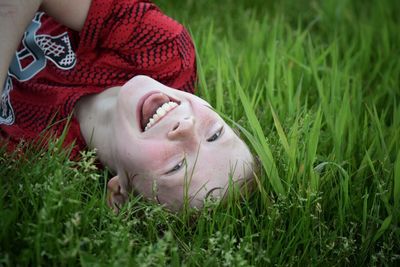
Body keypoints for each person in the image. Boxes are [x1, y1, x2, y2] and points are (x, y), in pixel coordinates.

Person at [0, 0, 254, 212]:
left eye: (176, 166)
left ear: (119, 193)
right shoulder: (164, 53)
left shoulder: (35, 157)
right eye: (215, 134)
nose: (187, 127)